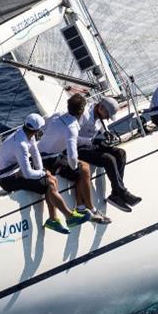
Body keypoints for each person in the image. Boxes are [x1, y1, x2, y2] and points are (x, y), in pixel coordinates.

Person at [0, 113, 90, 235]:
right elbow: (28, 173)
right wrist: (43, 173)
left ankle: (53, 219)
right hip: (7, 179)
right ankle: (69, 216)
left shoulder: (27, 134)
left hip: (17, 172)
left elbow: (35, 153)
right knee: (49, 183)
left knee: (52, 179)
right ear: (37, 130)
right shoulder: (21, 144)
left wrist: (43, 170)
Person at [38, 94, 108, 222]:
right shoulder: (72, 128)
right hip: (50, 160)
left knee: (82, 168)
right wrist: (76, 169)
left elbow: (43, 127)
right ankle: (91, 209)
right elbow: (72, 157)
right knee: (84, 170)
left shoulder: (58, 115)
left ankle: (81, 207)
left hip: (41, 154)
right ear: (82, 111)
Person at [78, 96, 142, 212]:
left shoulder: (97, 112)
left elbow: (100, 123)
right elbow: (70, 137)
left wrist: (106, 132)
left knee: (120, 153)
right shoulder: (84, 116)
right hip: (79, 149)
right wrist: (88, 141)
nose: (107, 118)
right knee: (108, 159)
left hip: (90, 144)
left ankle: (116, 194)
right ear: (101, 108)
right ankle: (122, 192)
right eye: (107, 115)